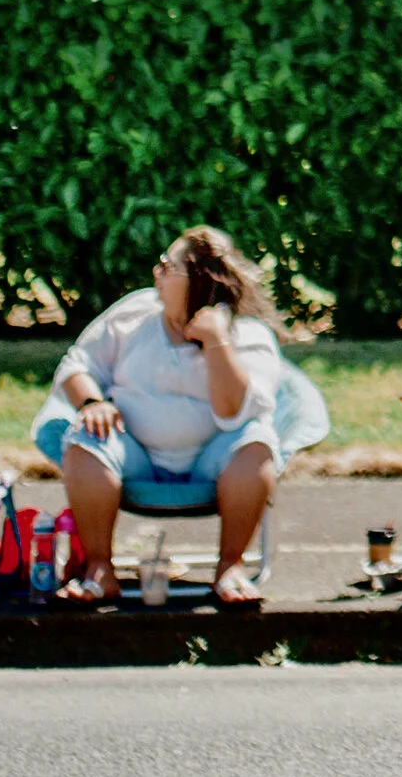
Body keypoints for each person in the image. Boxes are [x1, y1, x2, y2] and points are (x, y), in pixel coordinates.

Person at [41, 227, 286, 607]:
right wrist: (92, 403)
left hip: (213, 460)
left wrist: (216, 341)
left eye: (166, 267)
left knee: (256, 446)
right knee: (83, 438)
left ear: (199, 281)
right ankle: (100, 569)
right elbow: (77, 364)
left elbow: (232, 412)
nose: (156, 273)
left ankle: (230, 566)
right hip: (133, 453)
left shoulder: (248, 336)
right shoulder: (134, 313)